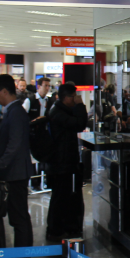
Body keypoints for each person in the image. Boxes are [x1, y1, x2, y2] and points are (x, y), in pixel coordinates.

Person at [0, 75, 33, 258]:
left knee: (19, 215)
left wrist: (0, 164)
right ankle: (20, 257)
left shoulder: (15, 113)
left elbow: (14, 144)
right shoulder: (12, 111)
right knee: (17, 214)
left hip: (16, 172)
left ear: (5, 91)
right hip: (15, 171)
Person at [44, 82, 88, 241]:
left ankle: (64, 227)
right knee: (60, 197)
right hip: (61, 163)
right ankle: (55, 230)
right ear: (66, 98)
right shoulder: (58, 113)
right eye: (74, 97)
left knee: (64, 196)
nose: (75, 99)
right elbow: (80, 123)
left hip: (64, 162)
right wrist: (81, 106)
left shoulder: (58, 110)